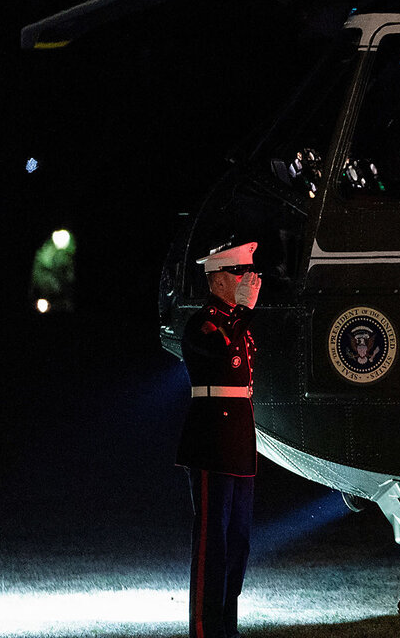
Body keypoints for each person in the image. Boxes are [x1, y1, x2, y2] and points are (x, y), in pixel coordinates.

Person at [177, 241, 262, 638]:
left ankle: (227, 624)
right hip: (212, 441)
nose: (247, 280)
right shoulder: (202, 322)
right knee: (213, 541)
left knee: (238, 542)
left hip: (238, 441)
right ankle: (204, 628)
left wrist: (242, 313)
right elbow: (219, 351)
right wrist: (243, 312)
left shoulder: (236, 322)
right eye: (238, 274)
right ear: (216, 279)